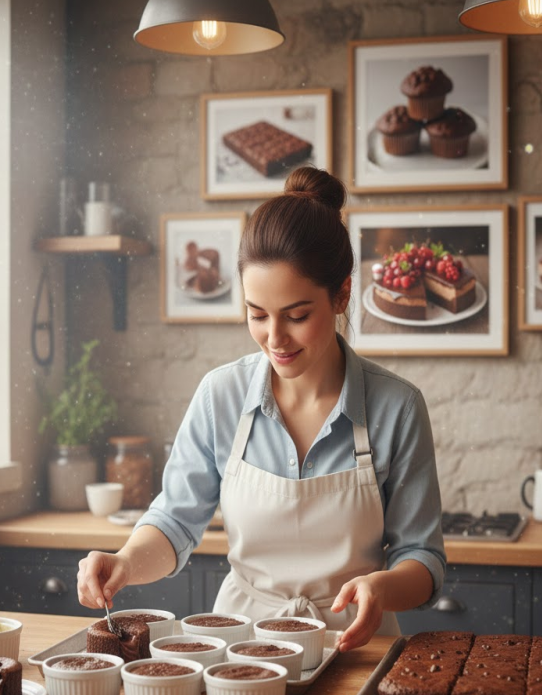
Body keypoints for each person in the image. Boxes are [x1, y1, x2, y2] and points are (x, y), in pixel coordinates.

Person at [77, 167, 445, 652]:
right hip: (237, 645)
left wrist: (382, 588)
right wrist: (125, 561)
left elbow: (422, 557)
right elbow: (175, 521)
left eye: (297, 316)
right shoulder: (220, 396)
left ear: (341, 294)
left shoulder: (397, 407)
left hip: (353, 646)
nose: (275, 339)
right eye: (256, 314)